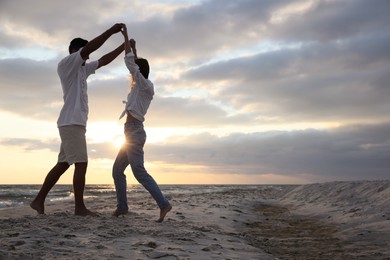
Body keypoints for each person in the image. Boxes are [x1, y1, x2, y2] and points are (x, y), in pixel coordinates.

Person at [30, 23, 125, 216]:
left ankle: (38, 200)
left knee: (63, 164)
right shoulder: (67, 64)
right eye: (84, 52)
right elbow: (90, 49)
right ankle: (79, 207)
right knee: (82, 163)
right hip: (71, 123)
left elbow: (103, 60)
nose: (88, 57)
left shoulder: (82, 70)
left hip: (74, 124)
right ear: (75, 51)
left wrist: (123, 47)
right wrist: (111, 31)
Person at [112, 24, 172, 222]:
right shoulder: (140, 86)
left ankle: (163, 204)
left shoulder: (146, 86)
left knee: (139, 172)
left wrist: (125, 36)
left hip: (135, 132)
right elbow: (135, 66)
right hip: (130, 132)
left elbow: (131, 65)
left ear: (141, 71)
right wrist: (135, 49)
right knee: (117, 170)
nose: (134, 71)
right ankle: (122, 207)